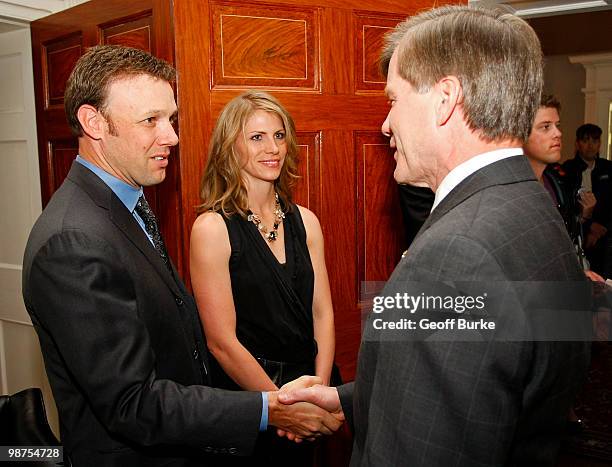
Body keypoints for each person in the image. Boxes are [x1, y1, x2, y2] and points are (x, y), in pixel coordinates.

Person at [279, 6, 592, 466]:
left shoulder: (454, 258)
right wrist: (350, 398)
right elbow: (478, 375)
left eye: (393, 100)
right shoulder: (532, 210)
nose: (386, 124)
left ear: (445, 99)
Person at [21, 45, 342, 467]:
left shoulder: (125, 204)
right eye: (150, 120)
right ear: (94, 122)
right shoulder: (74, 240)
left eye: (170, 119)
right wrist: (270, 408)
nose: (171, 135)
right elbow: (131, 403)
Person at [189, 90, 335, 465]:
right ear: (230, 147)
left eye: (279, 135)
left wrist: (319, 393)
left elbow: (322, 314)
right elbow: (221, 342)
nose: (272, 148)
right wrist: (282, 407)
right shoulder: (212, 228)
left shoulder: (307, 220)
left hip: (310, 389)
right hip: (251, 399)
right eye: (257, 137)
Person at [524, 95, 596, 271]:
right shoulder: (511, 188)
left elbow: (567, 239)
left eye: (558, 126)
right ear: (521, 134)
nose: (558, 133)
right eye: (546, 127)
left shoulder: (557, 180)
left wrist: (584, 216)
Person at [562, 124, 612, 276]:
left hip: (607, 235)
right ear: (577, 144)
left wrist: (601, 229)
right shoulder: (567, 169)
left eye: (595, 141)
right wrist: (590, 227)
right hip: (580, 233)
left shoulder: (608, 168)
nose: (590, 146)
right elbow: (567, 206)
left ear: (600, 144)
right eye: (585, 141)